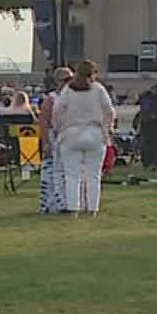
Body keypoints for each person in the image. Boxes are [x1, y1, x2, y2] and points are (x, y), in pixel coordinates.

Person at [52, 59, 115, 216]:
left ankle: (74, 208)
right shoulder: (98, 89)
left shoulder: (68, 89)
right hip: (94, 133)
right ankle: (92, 209)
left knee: (72, 175)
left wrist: (59, 127)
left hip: (71, 133)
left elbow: (57, 110)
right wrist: (108, 127)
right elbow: (110, 111)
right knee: (93, 175)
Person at [38, 67, 74, 214]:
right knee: (53, 170)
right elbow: (44, 122)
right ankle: (52, 203)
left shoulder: (75, 97)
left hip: (71, 136)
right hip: (55, 136)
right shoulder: (51, 99)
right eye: (66, 80)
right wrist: (45, 141)